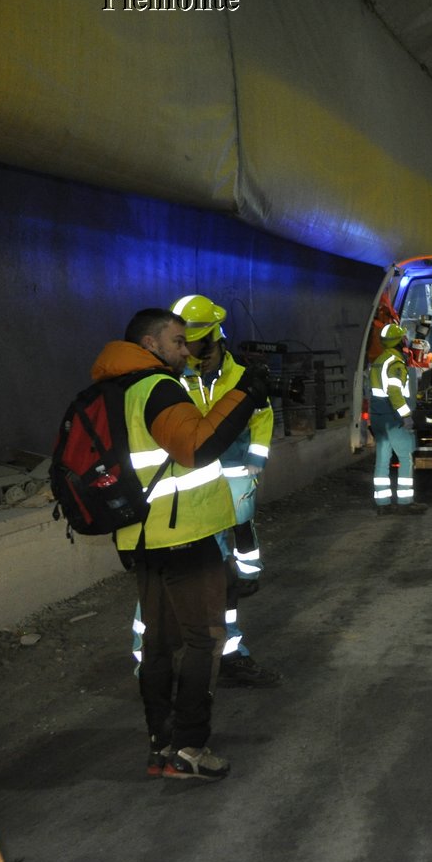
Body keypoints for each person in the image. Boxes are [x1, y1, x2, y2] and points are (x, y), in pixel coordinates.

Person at [94, 307, 269, 781]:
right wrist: (246, 394)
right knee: (203, 640)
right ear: (150, 343)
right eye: (176, 341)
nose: (185, 349)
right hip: (184, 536)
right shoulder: (157, 387)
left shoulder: (114, 389)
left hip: (142, 536)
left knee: (157, 642)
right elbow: (197, 445)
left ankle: (161, 747)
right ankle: (190, 746)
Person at [171, 294, 282, 687]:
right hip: (190, 494)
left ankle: (221, 655)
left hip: (231, 473)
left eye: (192, 342)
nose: (186, 351)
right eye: (180, 342)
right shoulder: (172, 380)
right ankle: (217, 658)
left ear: (214, 338)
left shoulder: (240, 376)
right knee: (215, 580)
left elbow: (262, 414)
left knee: (234, 546)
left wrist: (256, 461)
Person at [368, 322, 422, 513]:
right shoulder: (395, 363)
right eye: (404, 338)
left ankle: (382, 504)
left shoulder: (379, 360)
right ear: (399, 341)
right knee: (405, 458)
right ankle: (405, 502)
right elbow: (394, 392)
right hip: (393, 418)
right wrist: (406, 415)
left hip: (378, 417)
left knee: (382, 459)